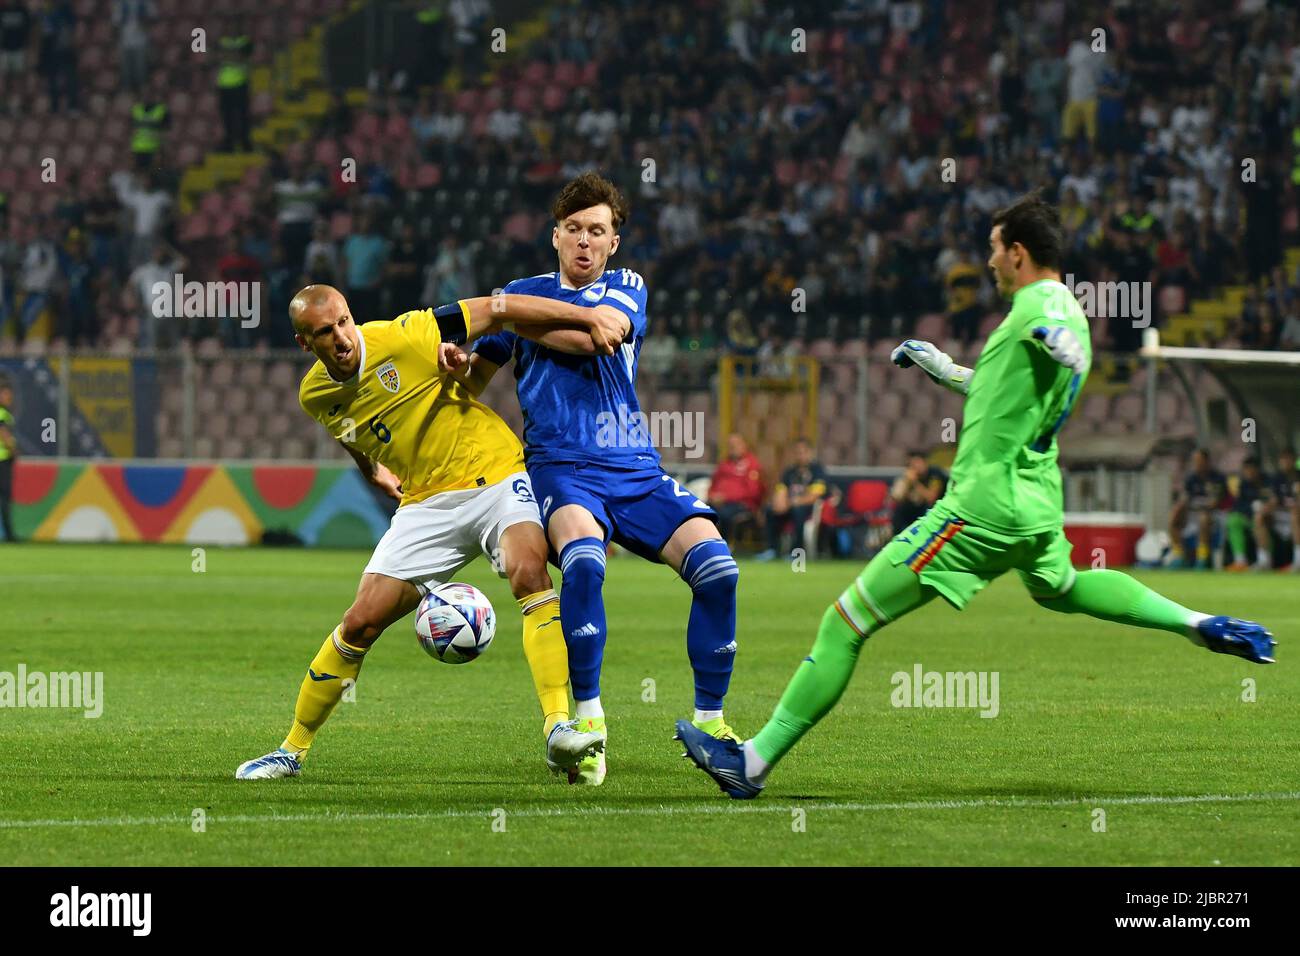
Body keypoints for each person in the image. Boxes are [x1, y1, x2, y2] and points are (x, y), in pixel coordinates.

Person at [676, 192, 1275, 799]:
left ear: (1017, 253)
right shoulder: (1063, 303)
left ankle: (750, 762)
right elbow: (1011, 389)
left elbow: (1051, 335)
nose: (987, 261)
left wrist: (1052, 338)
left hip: (982, 507)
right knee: (1062, 587)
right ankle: (1196, 622)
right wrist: (946, 370)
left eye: (993, 249)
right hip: (1036, 500)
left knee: (845, 621)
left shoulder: (1041, 307)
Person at [234, 283, 626, 780]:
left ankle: (557, 729)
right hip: (426, 502)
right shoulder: (314, 392)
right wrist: (370, 468)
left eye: (342, 322)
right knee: (359, 624)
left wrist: (586, 318)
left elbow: (498, 308)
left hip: (495, 474)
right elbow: (348, 425)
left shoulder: (406, 334)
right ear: (303, 344)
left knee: (529, 572)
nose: (340, 338)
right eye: (323, 334)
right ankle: (291, 750)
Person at [447, 172, 744, 786]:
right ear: (555, 235)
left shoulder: (624, 288)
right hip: (562, 467)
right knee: (583, 561)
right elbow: (473, 383)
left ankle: (712, 724)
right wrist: (457, 365)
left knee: (719, 570)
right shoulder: (521, 293)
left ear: (614, 244)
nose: (586, 241)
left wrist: (507, 314)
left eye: (598, 232)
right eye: (575, 229)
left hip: (634, 466)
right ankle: (588, 725)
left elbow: (598, 337)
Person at [755, 438, 827, 562]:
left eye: (803, 452)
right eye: (797, 452)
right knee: (771, 510)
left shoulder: (817, 471)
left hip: (808, 507)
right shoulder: (790, 471)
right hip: (789, 505)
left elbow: (814, 496)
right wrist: (779, 503)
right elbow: (781, 489)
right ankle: (772, 549)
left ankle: (796, 552)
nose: (800, 456)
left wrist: (791, 502)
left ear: (809, 453)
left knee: (797, 511)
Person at [1167, 447, 1228, 569]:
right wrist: (1181, 506)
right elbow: (1185, 498)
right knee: (1174, 515)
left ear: (1207, 461)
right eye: (1195, 461)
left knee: (1204, 518)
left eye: (1199, 460)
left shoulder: (1218, 478)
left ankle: (1202, 558)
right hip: (1193, 513)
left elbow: (1216, 501)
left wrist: (1202, 506)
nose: (1197, 463)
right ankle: (1178, 556)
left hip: (1214, 515)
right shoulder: (1191, 478)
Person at [707, 433, 764, 547]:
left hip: (742, 505)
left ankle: (725, 547)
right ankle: (706, 546)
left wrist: (726, 498)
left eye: (736, 444)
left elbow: (754, 492)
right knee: (702, 512)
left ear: (744, 445)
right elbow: (713, 485)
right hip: (719, 503)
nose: (733, 447)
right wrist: (712, 496)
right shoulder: (724, 464)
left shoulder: (751, 464)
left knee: (724, 515)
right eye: (730, 445)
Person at [1257, 448, 1300, 572]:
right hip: (1282, 514)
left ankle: (1298, 561)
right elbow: (1274, 500)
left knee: (1295, 513)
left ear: (1294, 460)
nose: (1285, 462)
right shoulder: (1277, 478)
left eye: (1288, 459)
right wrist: (1266, 508)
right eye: (1282, 459)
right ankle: (1263, 560)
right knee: (1260, 516)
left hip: (1297, 515)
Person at [890, 450, 947, 535]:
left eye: (918, 462)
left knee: (926, 509)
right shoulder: (913, 476)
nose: (916, 466)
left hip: (940, 509)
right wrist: (906, 483)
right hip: (920, 511)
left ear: (925, 462)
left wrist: (914, 482)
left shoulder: (935, 474)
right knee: (900, 510)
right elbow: (897, 498)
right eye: (912, 464)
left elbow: (931, 498)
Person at [1225, 456, 1267, 572]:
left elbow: (1272, 501)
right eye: (1246, 469)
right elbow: (1238, 506)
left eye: (1251, 469)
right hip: (1249, 517)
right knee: (1233, 520)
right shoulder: (1244, 484)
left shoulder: (1267, 481)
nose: (1248, 472)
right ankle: (1240, 561)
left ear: (1257, 469)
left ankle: (1264, 561)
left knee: (1259, 520)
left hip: (1267, 519)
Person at [0, 375, 16, 541]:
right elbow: (3, 433)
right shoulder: (2, 413)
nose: (8, 397)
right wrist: (13, 449)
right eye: (5, 394)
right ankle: (9, 534)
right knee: (5, 497)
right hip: (2, 460)